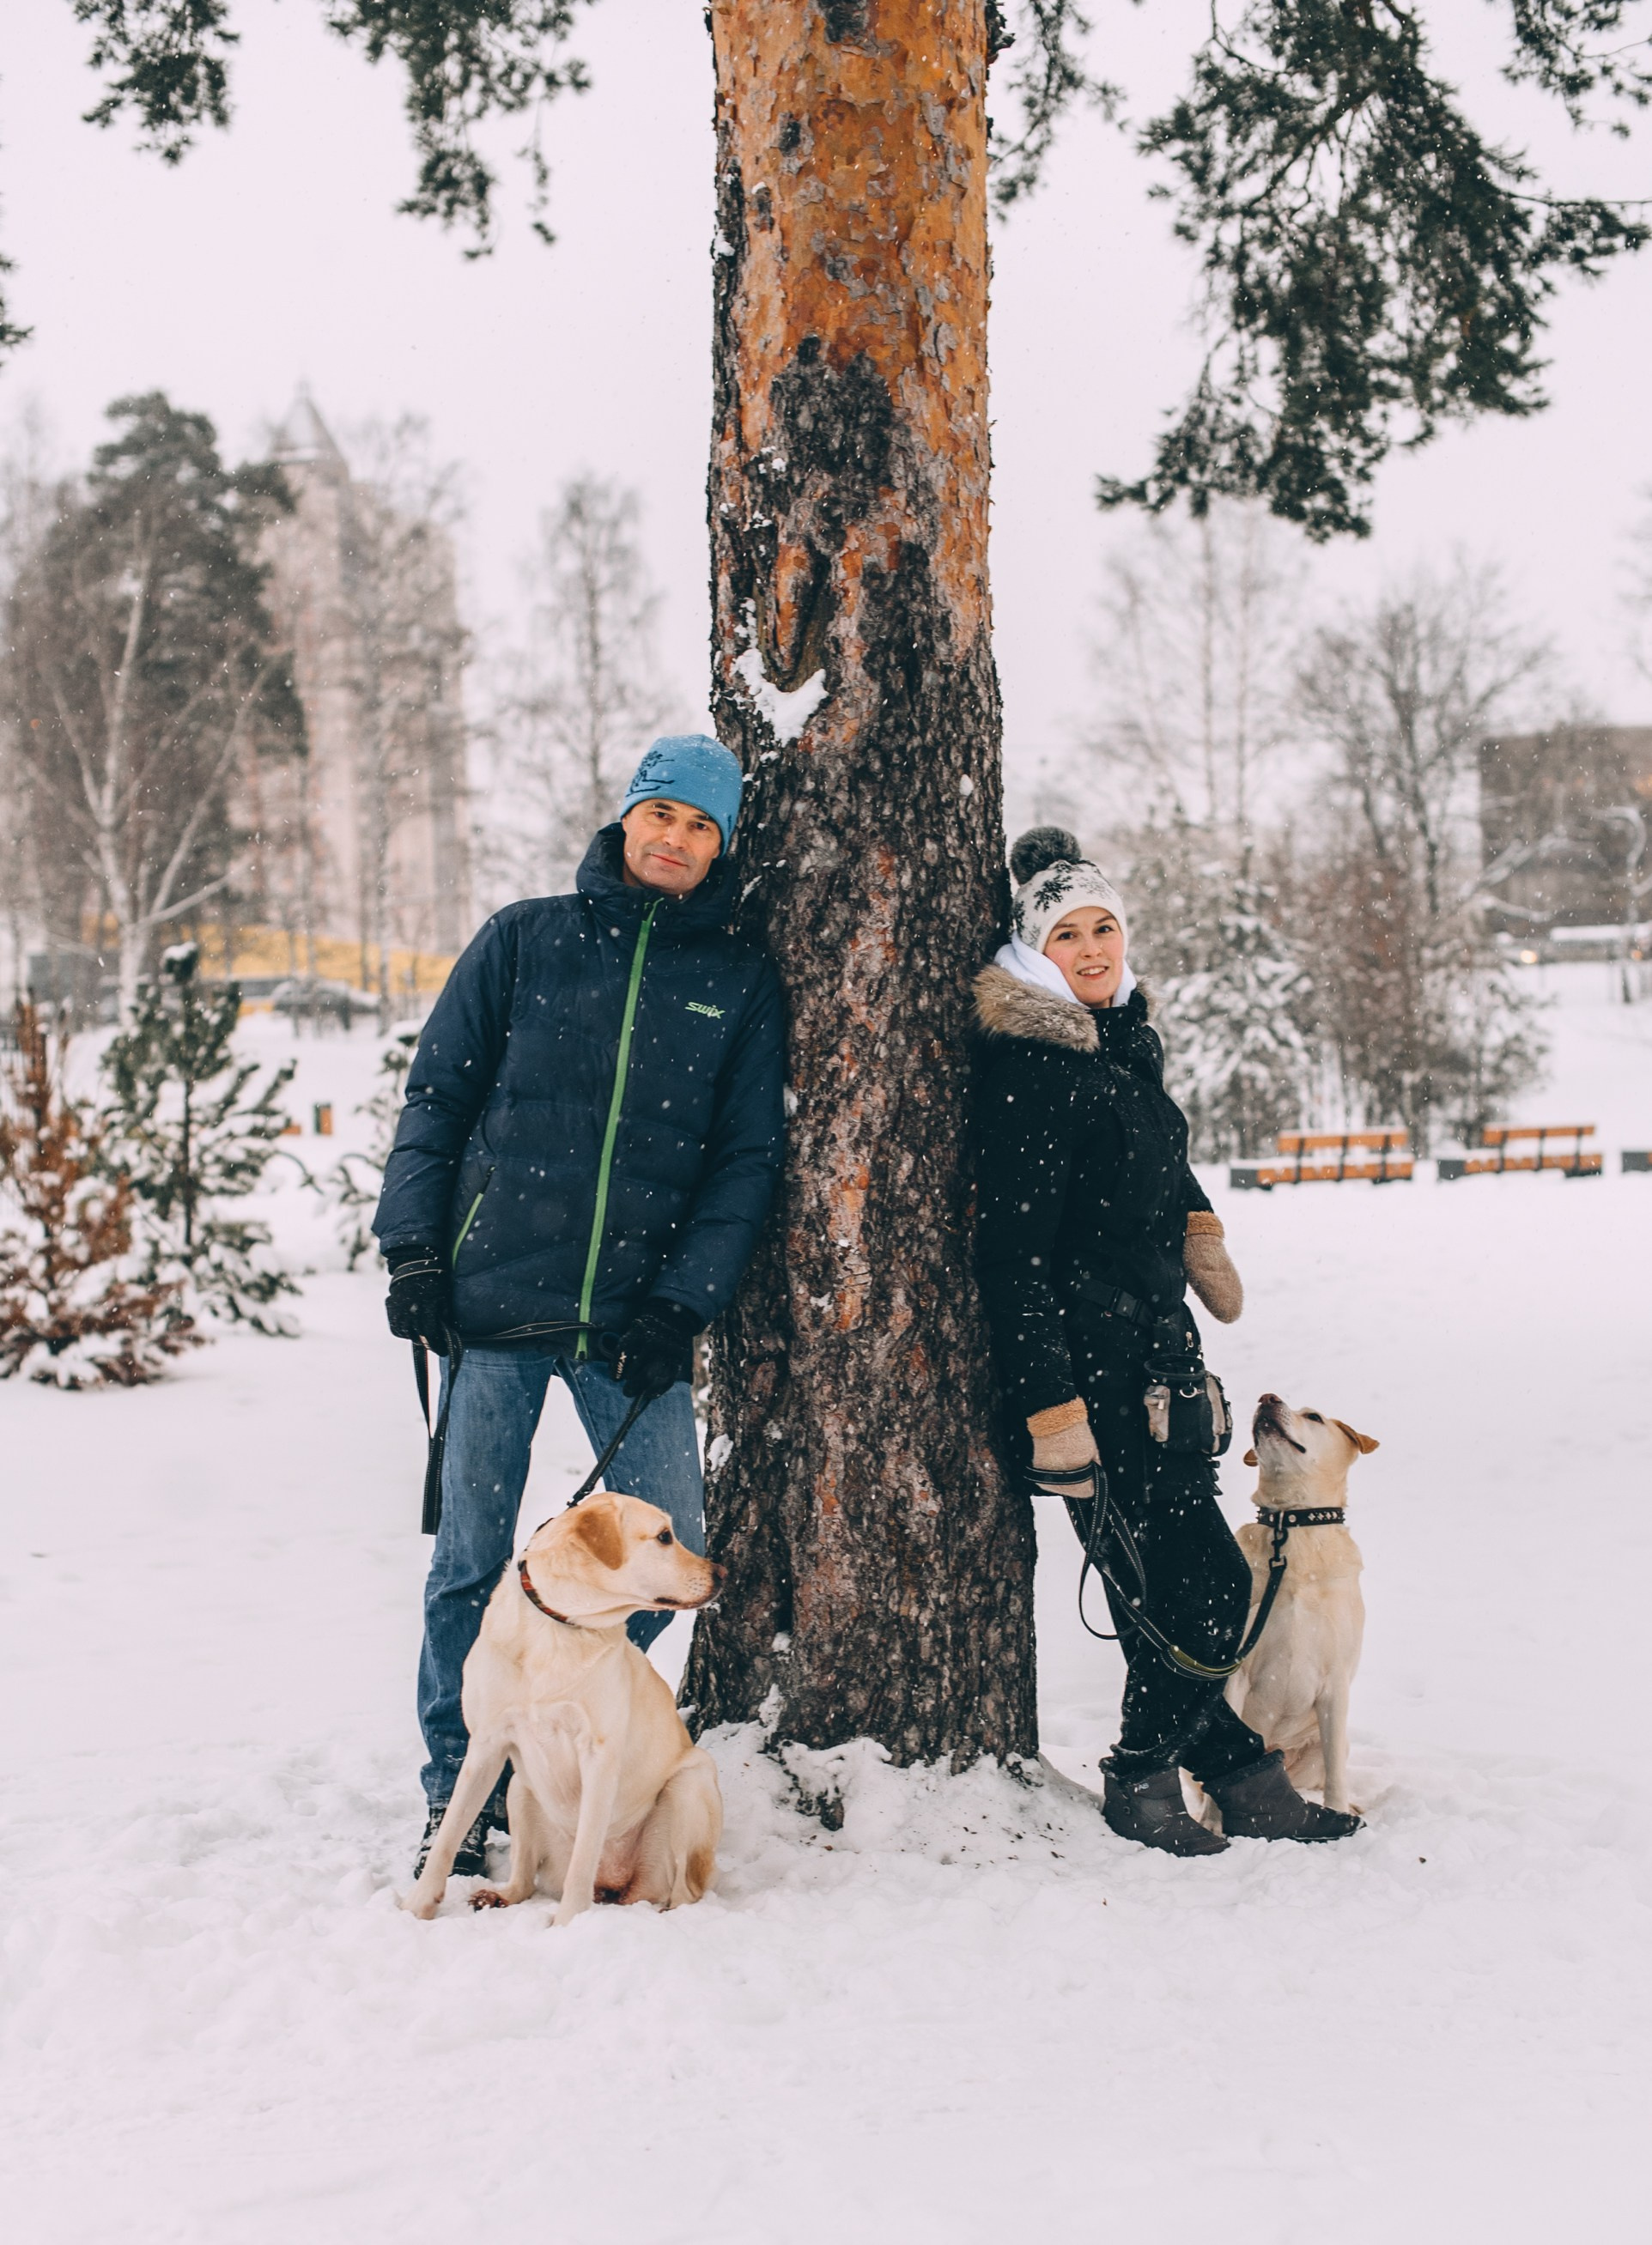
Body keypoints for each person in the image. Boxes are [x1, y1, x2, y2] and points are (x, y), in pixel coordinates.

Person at [374, 734, 785, 1874]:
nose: (675, 837)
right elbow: (438, 1097)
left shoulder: (737, 983)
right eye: (661, 812)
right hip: (492, 1309)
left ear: (723, 845)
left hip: (632, 1327)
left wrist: (682, 1302)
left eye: (702, 825)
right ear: (625, 818)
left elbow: (745, 1161)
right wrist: (413, 1249)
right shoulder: (525, 939)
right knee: (468, 1562)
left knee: (678, 1545)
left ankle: (552, 1701)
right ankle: (463, 1786)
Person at [972, 827, 1359, 1855]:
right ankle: (1141, 1771)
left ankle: (1237, 1773)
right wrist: (1053, 1415)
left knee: (1192, 1583)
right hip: (1087, 1386)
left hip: (1160, 1365)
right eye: (1067, 933)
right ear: (1029, 951)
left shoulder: (1119, 1042)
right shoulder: (1029, 1073)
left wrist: (1198, 1227)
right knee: (1191, 1593)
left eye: (1105, 926)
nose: (1093, 947)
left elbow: (1148, 1167)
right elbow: (1012, 1259)